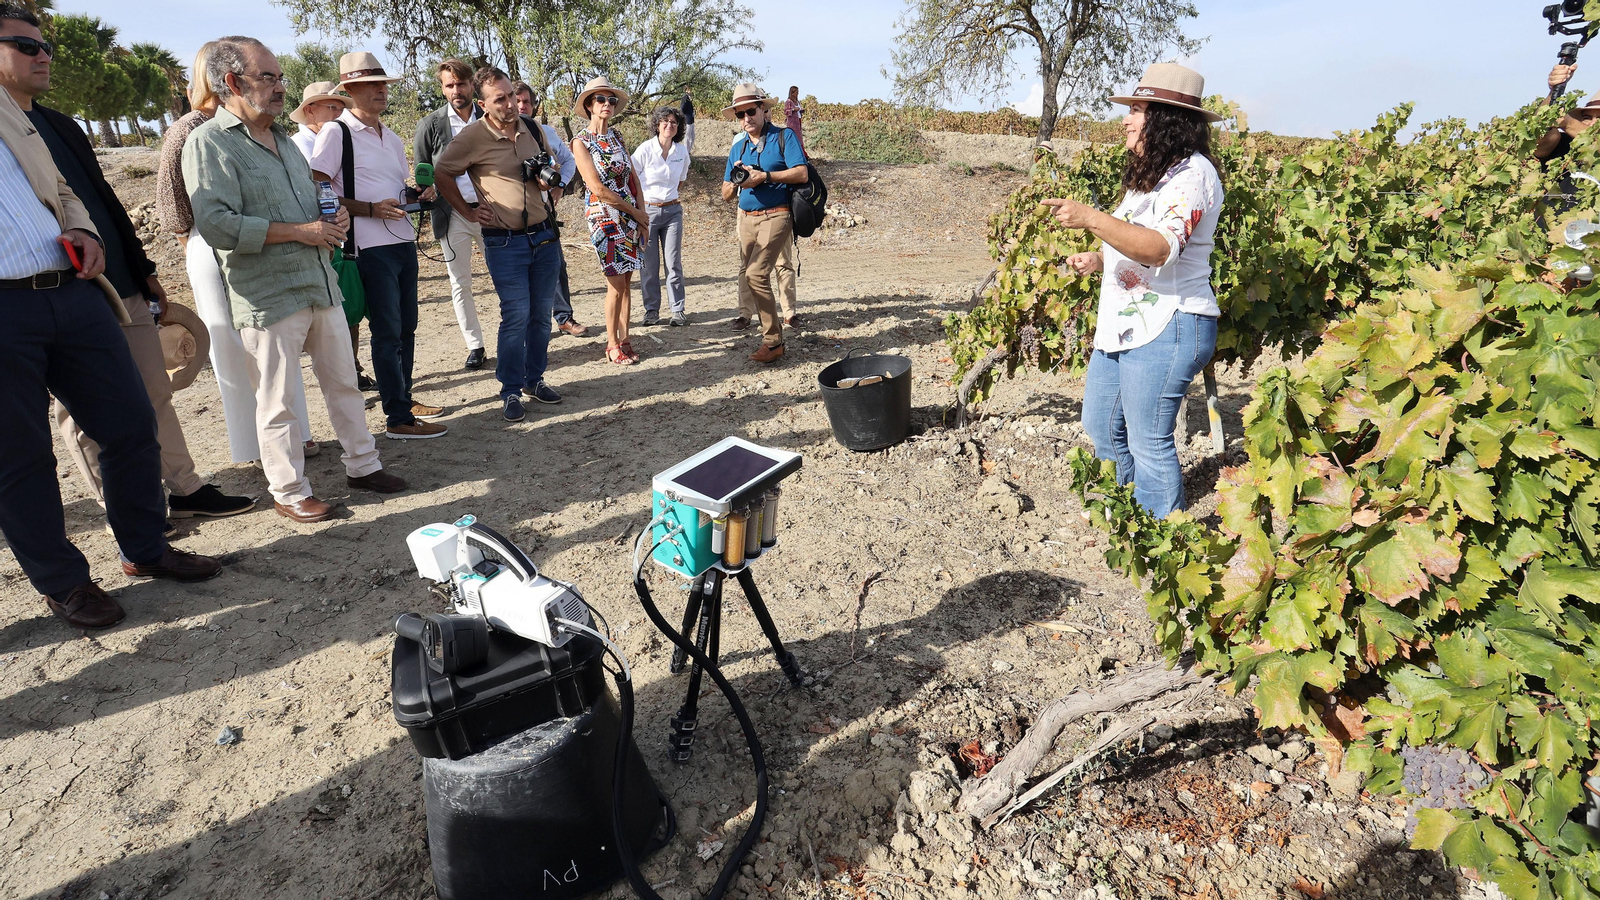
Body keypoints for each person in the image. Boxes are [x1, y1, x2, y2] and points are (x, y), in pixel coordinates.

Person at [0, 9, 223, 629]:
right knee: (20, 459)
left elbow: (67, 191)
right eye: (24, 46)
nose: (42, 55)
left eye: (42, 45)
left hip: (72, 294)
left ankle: (145, 549)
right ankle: (65, 583)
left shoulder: (20, 117)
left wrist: (79, 227)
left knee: (128, 423)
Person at [185, 35, 409, 523]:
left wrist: (334, 221)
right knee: (278, 400)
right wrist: (301, 232)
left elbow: (316, 204)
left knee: (345, 383)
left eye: (280, 76)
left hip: (318, 281)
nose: (280, 86)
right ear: (231, 82)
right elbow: (218, 224)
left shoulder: (287, 143)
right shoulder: (208, 143)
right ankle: (289, 491)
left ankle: (363, 465)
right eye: (269, 77)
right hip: (267, 293)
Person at [1043, 62, 1224, 519]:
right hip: (1129, 323)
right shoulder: (1153, 176)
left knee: (1149, 441)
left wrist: (1093, 218)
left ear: (1165, 119)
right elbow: (1136, 245)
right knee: (1101, 425)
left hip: (1172, 323)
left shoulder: (1192, 176)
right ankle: (1127, 515)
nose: (1126, 118)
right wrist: (1102, 259)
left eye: (1137, 109)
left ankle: (1160, 545)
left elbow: (1162, 248)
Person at [158, 43, 320, 463]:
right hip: (212, 248)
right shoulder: (189, 129)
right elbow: (175, 209)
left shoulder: (264, 126)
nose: (267, 82)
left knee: (276, 342)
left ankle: (295, 434)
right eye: (260, 74)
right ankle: (252, 447)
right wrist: (201, 253)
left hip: (271, 245)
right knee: (231, 347)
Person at [310, 51, 447, 440]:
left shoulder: (392, 136)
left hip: (402, 241)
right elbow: (317, 187)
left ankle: (402, 402)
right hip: (367, 246)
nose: (380, 91)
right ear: (350, 90)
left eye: (383, 84)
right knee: (388, 330)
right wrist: (368, 209)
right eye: (371, 85)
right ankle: (397, 419)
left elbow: (389, 190)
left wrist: (416, 193)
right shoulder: (337, 132)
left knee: (407, 326)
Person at [435, 67, 565, 423]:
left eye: (511, 95)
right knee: (516, 316)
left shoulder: (533, 128)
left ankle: (533, 380)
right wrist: (469, 211)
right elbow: (442, 173)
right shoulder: (472, 138)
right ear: (483, 104)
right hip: (505, 242)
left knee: (541, 318)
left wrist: (548, 185)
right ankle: (509, 390)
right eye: (500, 99)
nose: (510, 104)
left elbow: (550, 167)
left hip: (544, 236)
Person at [722, 82, 808, 364]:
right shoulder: (739, 146)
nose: (746, 118)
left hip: (777, 214)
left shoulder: (784, 137)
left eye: (750, 111)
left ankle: (773, 340)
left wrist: (765, 177)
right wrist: (738, 180)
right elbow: (724, 193)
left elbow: (801, 174)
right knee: (750, 274)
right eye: (740, 114)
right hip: (746, 218)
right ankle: (772, 334)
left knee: (756, 274)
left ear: (763, 109)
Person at [414, 58, 488, 370]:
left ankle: (516, 338)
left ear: (472, 84)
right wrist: (427, 190)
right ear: (443, 89)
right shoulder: (430, 126)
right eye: (449, 85)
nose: (456, 90)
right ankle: (475, 345)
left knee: (506, 277)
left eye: (461, 83)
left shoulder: (491, 116)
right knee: (460, 283)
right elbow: (423, 175)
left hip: (492, 212)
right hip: (451, 214)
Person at [571, 75, 647, 365]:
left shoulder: (617, 137)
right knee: (615, 283)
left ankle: (626, 339)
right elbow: (598, 189)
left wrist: (642, 218)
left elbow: (632, 178)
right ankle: (611, 344)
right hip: (604, 217)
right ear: (589, 105)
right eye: (601, 99)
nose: (607, 104)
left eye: (611, 100)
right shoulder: (581, 142)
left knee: (627, 280)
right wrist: (636, 212)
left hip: (628, 215)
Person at [511, 80, 586, 338]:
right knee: (519, 274)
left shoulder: (546, 132)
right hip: (510, 216)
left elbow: (568, 161)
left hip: (544, 212)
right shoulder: (493, 135)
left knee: (555, 265)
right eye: (517, 100)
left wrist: (560, 187)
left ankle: (564, 318)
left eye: (526, 102)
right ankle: (526, 328)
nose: (521, 106)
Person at [631, 105, 690, 326]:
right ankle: (652, 311)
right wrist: (639, 210)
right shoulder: (645, 150)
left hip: (673, 211)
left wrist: (669, 198)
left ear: (678, 127)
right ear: (657, 125)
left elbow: (680, 180)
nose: (669, 125)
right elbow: (632, 179)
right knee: (649, 264)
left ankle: (678, 310)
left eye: (674, 122)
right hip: (648, 212)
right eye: (665, 121)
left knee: (673, 262)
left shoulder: (681, 152)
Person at [1536, 64, 1599, 164]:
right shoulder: (1564, 145)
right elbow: (1538, 135)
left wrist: (1569, 123)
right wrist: (1555, 90)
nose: (1592, 124)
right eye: (1587, 118)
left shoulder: (1569, 124)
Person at [289, 81, 351, 160]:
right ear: (309, 111)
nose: (339, 114)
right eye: (332, 107)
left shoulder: (337, 141)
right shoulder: (299, 144)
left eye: (342, 110)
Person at [783, 85, 805, 155]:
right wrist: (793, 109)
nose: (797, 93)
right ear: (792, 93)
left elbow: (798, 110)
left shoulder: (797, 101)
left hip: (798, 121)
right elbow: (786, 111)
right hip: (792, 123)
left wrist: (801, 110)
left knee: (799, 136)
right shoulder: (788, 102)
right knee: (793, 136)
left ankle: (801, 152)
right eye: (796, 92)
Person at [681, 86, 696, 156]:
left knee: (692, 137)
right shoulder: (685, 98)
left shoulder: (688, 99)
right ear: (686, 90)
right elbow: (682, 109)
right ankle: (686, 152)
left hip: (691, 120)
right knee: (688, 137)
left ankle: (688, 151)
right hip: (687, 120)